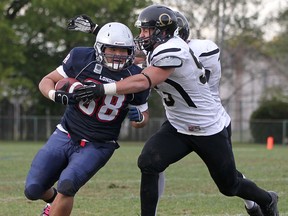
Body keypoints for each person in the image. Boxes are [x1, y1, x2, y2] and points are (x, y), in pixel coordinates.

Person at [74, 4, 279, 216]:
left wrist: (102, 89)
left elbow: (145, 81)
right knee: (149, 162)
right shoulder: (156, 47)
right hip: (178, 126)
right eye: (142, 30)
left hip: (206, 127)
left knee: (229, 186)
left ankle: (267, 199)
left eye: (146, 30)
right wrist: (98, 31)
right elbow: (127, 50)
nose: (141, 36)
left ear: (163, 32)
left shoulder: (177, 49)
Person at [24, 22, 150, 216]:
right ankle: (54, 203)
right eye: (112, 48)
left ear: (131, 51)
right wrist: (54, 95)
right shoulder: (82, 58)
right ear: (100, 48)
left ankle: (56, 207)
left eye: (123, 50)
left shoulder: (136, 75)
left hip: (99, 144)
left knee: (67, 185)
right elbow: (46, 81)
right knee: (33, 189)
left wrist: (139, 117)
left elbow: (141, 120)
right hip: (66, 133)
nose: (117, 54)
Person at [174, 11, 263, 215]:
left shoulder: (201, 50)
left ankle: (259, 202)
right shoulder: (166, 54)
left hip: (209, 121)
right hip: (179, 121)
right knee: (152, 162)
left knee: (228, 180)